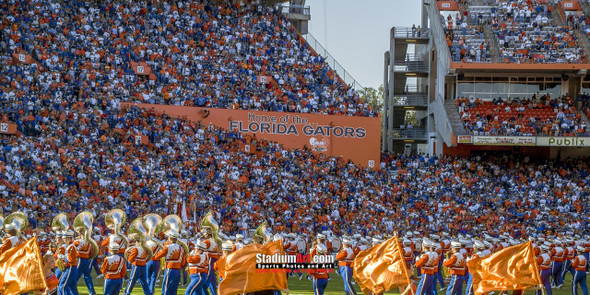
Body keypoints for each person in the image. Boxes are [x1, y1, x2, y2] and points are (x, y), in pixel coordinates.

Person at [154, 229, 186, 295]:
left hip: (170, 268)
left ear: (170, 238)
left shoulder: (167, 247)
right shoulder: (181, 248)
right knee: (174, 290)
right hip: (178, 270)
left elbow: (157, 256)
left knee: (166, 289)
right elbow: (183, 263)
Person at [73, 229, 97, 295]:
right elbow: (92, 252)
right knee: (88, 277)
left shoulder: (78, 241)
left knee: (75, 277)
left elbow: (71, 247)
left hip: (80, 260)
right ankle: (92, 292)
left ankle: (73, 292)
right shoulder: (91, 242)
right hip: (87, 260)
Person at [58, 230, 78, 295]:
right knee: (72, 287)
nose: (64, 240)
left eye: (65, 239)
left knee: (62, 286)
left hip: (70, 268)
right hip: (71, 268)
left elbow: (71, 260)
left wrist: (64, 263)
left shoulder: (71, 247)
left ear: (69, 239)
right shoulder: (68, 247)